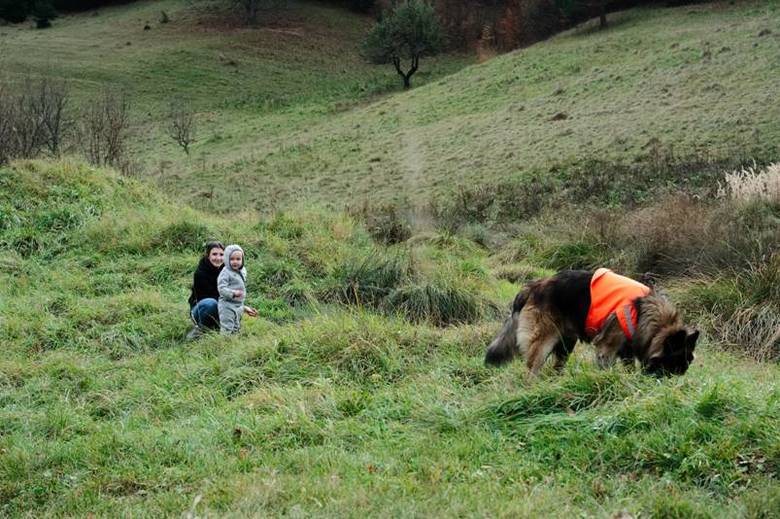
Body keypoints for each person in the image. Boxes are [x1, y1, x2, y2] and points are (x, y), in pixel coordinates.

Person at [187, 241, 256, 340]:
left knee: (229, 311)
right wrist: (243, 307)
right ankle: (200, 329)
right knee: (211, 303)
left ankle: (224, 331)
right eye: (214, 254)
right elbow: (215, 296)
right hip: (201, 308)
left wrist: (241, 307)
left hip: (223, 307)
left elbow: (235, 293)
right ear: (208, 255)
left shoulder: (228, 270)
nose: (218, 258)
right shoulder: (200, 273)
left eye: (221, 255)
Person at [218, 244, 251, 335]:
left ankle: (233, 343)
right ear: (226, 259)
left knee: (236, 326)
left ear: (242, 260)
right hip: (227, 305)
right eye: (232, 259)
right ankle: (224, 343)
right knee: (227, 326)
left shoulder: (242, 271)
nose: (235, 262)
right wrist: (233, 293)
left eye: (238, 259)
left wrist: (244, 306)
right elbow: (221, 288)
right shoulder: (225, 272)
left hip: (238, 305)